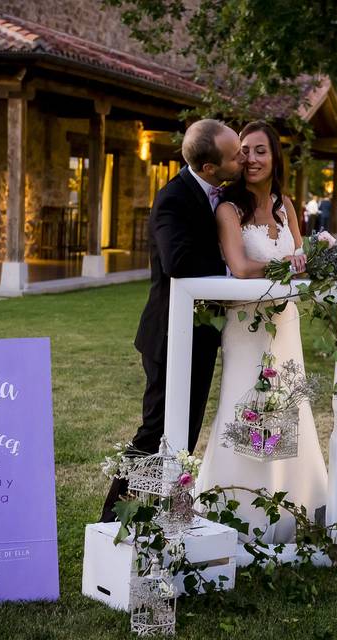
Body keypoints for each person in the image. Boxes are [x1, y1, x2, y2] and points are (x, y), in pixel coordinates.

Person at [99, 119, 247, 522]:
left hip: (201, 337)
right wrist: (237, 267)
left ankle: (161, 517)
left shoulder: (226, 193)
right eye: (235, 155)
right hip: (169, 336)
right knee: (155, 434)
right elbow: (178, 261)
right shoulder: (173, 199)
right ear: (208, 167)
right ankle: (113, 520)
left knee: (184, 437)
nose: (243, 158)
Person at [197, 121, 327, 543]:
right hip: (246, 328)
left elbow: (302, 258)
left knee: (289, 406)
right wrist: (286, 267)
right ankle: (238, 515)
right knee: (246, 406)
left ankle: (291, 513)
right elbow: (239, 267)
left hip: (285, 326)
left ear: (274, 158)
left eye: (260, 151)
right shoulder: (227, 209)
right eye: (244, 151)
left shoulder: (286, 205)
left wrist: (313, 264)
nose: (250, 159)